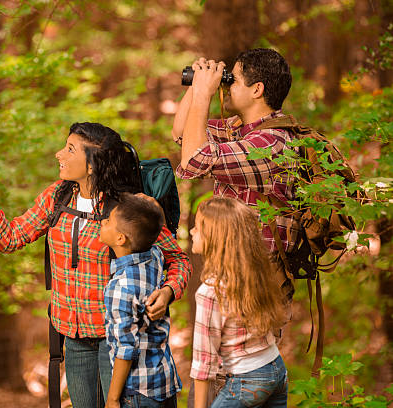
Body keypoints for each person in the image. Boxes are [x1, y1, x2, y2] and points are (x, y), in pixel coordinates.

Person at [0, 122, 191, 408]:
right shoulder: (57, 197)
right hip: (73, 338)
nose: (59, 154)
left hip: (117, 340)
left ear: (92, 165)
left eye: (70, 149)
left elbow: (177, 259)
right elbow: (8, 238)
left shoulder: (125, 208)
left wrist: (168, 291)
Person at [171, 48, 297, 300]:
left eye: (234, 80)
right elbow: (182, 133)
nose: (227, 86)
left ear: (257, 89)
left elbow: (194, 161)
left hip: (257, 280)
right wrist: (197, 86)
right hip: (235, 271)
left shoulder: (271, 143)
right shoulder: (242, 128)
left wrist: (206, 94)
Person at [190, 197, 288, 408]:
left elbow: (203, 362)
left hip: (247, 380)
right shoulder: (253, 274)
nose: (191, 232)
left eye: (197, 228)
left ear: (214, 238)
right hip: (276, 368)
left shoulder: (210, 291)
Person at [99, 193, 181, 408]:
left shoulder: (119, 288)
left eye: (108, 221)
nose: (103, 221)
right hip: (164, 379)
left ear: (120, 239)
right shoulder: (154, 256)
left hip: (137, 390)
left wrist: (113, 398)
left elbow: (125, 349)